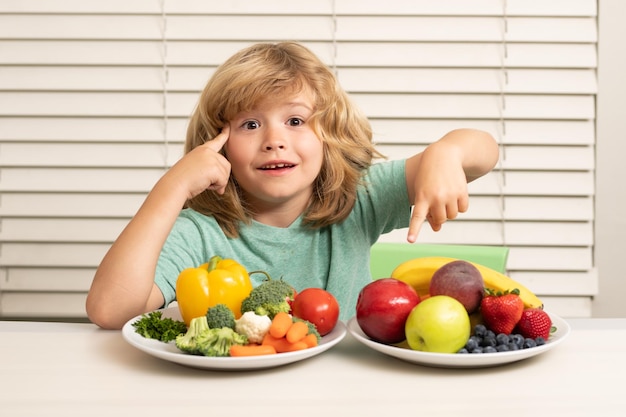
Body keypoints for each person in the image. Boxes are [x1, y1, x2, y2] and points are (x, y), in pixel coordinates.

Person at [86, 41, 499, 330]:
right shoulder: (199, 232)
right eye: (250, 124)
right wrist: (171, 188)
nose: (274, 139)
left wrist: (444, 152)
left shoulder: (359, 197)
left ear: (329, 134)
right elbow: (109, 310)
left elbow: (484, 153)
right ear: (218, 145)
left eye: (296, 121)